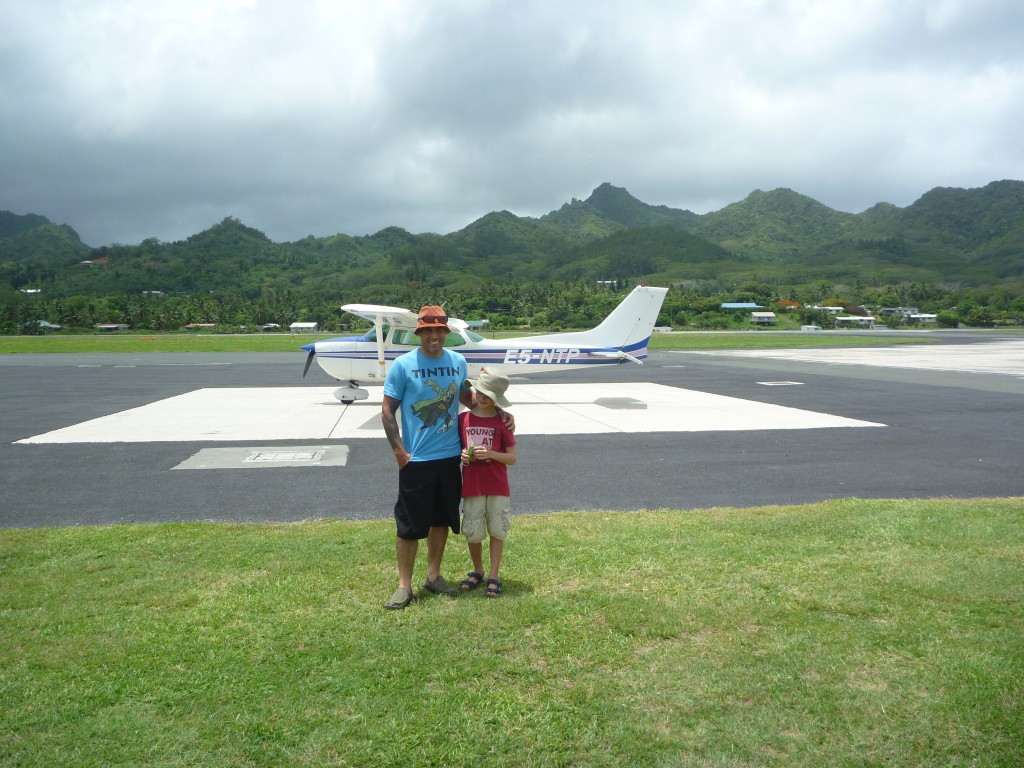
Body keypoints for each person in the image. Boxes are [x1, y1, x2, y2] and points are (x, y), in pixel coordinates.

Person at [380, 305, 513, 610]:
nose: (434, 335)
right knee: (410, 525)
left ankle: (433, 576)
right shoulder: (403, 365)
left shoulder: (457, 361)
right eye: (428, 330)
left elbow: (469, 398)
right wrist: (400, 452)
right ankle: (404, 586)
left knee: (441, 520)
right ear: (420, 333)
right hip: (417, 460)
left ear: (445, 333)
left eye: (439, 330)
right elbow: (388, 411)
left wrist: (501, 412)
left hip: (451, 458)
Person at [457, 370, 517, 598]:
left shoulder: (503, 423)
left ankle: (494, 573)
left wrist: (491, 453)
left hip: (497, 485)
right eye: (479, 393)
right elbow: (459, 449)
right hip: (472, 485)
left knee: (497, 529)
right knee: (473, 529)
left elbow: (512, 457)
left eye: (488, 396)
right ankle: (478, 569)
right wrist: (464, 456)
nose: (482, 399)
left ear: (497, 400)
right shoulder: (464, 419)